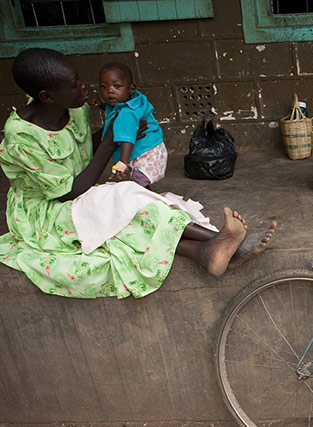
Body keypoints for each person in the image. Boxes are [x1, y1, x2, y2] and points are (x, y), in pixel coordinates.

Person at [0, 48, 276, 299]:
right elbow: (70, 191)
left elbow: (82, 145)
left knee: (139, 205)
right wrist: (109, 142)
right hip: (49, 210)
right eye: (74, 85)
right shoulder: (22, 137)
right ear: (48, 96)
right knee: (129, 198)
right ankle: (223, 241)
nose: (85, 87)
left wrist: (118, 135)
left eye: (79, 79)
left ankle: (207, 251)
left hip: (80, 190)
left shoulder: (73, 107)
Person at [95, 62, 165, 187]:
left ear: (131, 88)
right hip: (154, 147)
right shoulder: (135, 99)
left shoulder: (127, 114)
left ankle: (144, 196)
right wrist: (102, 106)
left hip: (145, 154)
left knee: (140, 179)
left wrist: (123, 162)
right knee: (139, 178)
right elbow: (114, 109)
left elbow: (127, 138)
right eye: (103, 86)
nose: (109, 90)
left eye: (116, 86)